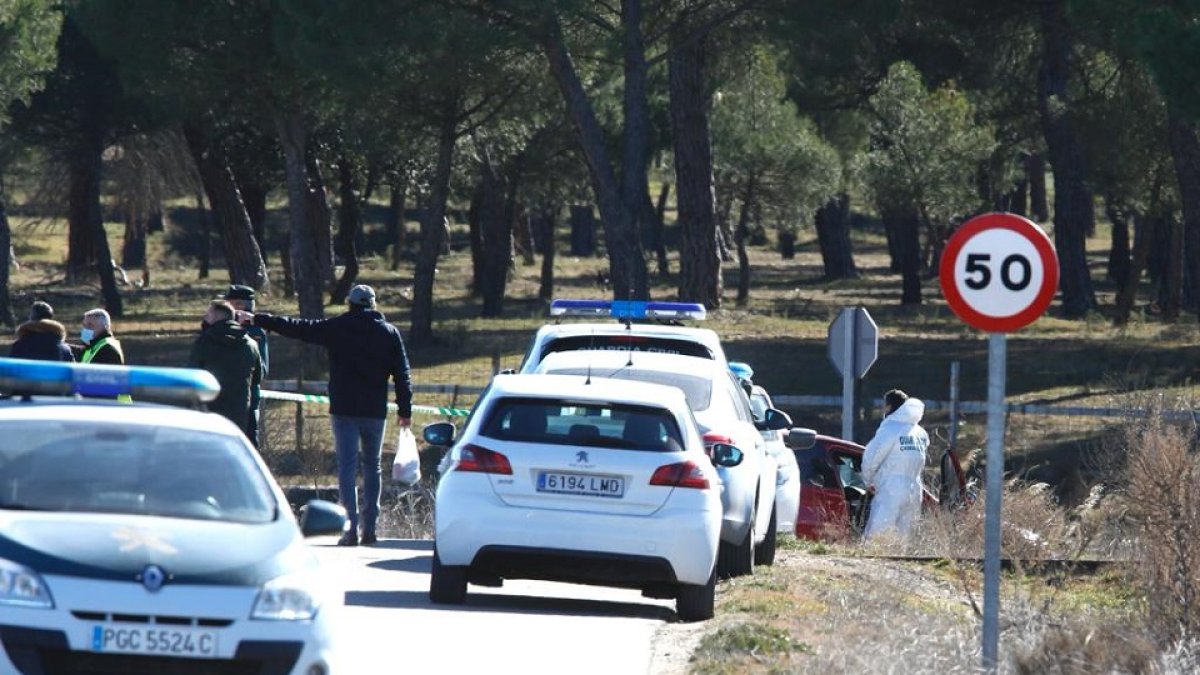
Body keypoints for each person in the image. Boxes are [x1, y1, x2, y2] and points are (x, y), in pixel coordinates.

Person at [238, 284, 412, 547]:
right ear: (373, 305)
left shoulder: (338, 327)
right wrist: (405, 410)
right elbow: (402, 374)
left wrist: (259, 318)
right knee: (372, 466)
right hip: (374, 410)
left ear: (351, 304)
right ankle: (371, 527)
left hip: (343, 409)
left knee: (347, 466)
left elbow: (300, 327)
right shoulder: (389, 333)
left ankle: (350, 528)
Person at [862, 389, 929, 540]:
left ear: (889, 407)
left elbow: (872, 457)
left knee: (877, 534)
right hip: (915, 489)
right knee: (904, 537)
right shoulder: (920, 433)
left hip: (891, 488)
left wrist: (867, 480)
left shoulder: (890, 428)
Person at [190, 299, 262, 439]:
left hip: (208, 411)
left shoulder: (204, 343)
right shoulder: (251, 345)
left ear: (216, 317)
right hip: (239, 411)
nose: (205, 318)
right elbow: (258, 377)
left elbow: (192, 375)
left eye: (208, 315)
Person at [224, 285, 268, 447]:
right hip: (226, 395)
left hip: (247, 396)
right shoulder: (221, 328)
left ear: (241, 306)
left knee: (248, 442)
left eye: (231, 303)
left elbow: (261, 369)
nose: (226, 306)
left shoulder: (254, 331)